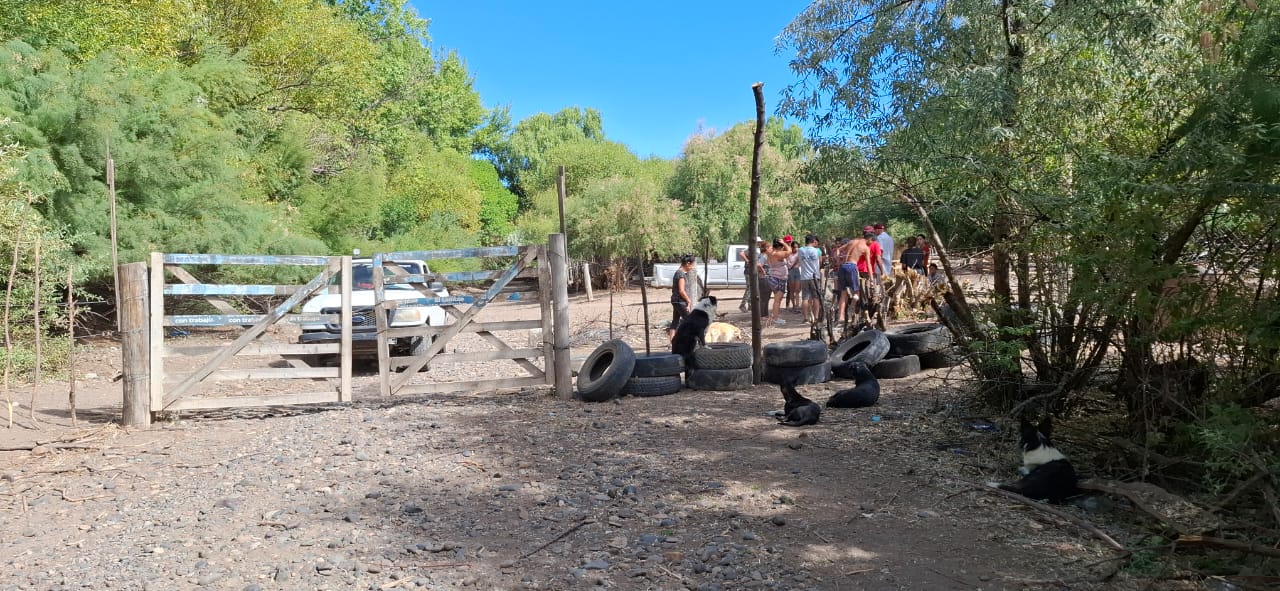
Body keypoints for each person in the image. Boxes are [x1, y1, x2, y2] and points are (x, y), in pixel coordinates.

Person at [836, 233, 872, 323]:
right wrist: (871, 279)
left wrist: (838, 261)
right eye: (872, 242)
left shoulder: (852, 241)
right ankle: (851, 311)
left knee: (843, 294)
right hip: (852, 267)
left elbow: (838, 250)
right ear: (870, 239)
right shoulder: (865, 248)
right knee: (856, 292)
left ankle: (841, 317)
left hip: (843, 266)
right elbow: (868, 264)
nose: (871, 244)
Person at [765, 239, 795, 325]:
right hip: (778, 278)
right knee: (777, 300)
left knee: (777, 299)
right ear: (780, 247)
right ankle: (775, 318)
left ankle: (775, 316)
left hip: (776, 277)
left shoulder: (771, 253)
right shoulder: (777, 254)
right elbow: (789, 251)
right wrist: (784, 243)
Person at [797, 234, 824, 324]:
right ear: (813, 241)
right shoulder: (817, 251)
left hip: (804, 277)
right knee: (816, 297)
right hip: (814, 277)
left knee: (805, 297)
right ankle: (816, 317)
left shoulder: (800, 250)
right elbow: (820, 262)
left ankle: (805, 318)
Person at [668, 254, 696, 341]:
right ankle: (691, 341)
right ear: (688, 263)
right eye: (692, 264)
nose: (693, 267)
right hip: (680, 301)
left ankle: (672, 342)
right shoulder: (681, 275)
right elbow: (681, 290)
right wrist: (688, 300)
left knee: (675, 322)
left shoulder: (678, 273)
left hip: (676, 301)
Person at [785, 236, 801, 313]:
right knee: (792, 290)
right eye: (794, 247)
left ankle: (797, 306)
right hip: (790, 271)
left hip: (797, 271)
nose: (796, 249)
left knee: (797, 290)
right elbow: (787, 264)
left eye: (797, 247)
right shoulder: (788, 254)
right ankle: (793, 305)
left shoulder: (799, 254)